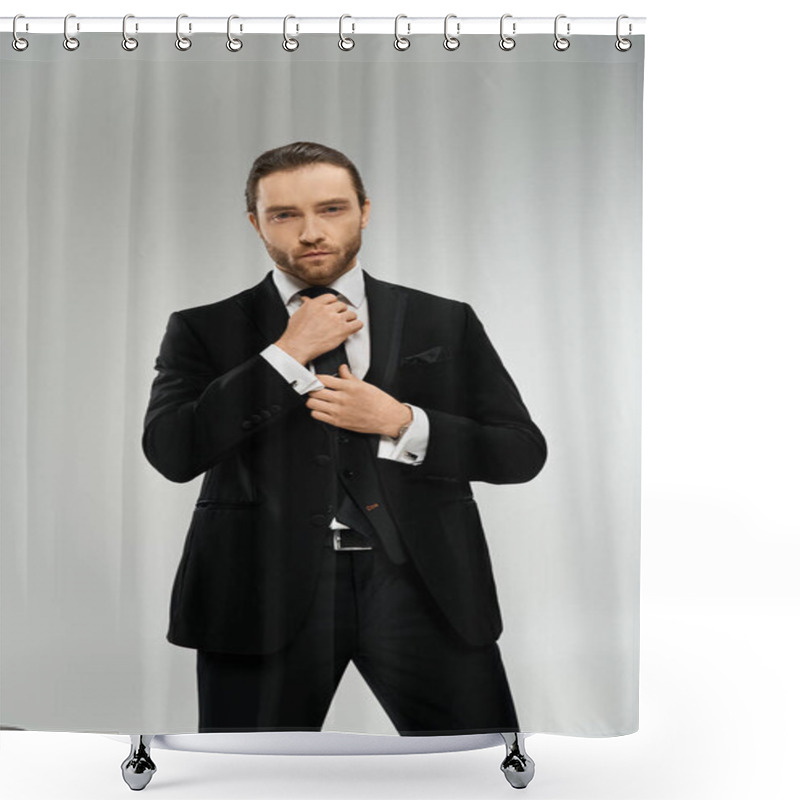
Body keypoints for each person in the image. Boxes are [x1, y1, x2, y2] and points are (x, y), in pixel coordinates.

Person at [143, 141, 547, 735]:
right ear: (256, 223)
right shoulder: (203, 328)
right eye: (285, 215)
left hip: (424, 588)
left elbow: (520, 450)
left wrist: (401, 422)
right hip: (259, 591)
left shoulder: (445, 319)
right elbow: (173, 452)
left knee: (476, 763)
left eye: (331, 209)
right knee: (252, 778)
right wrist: (284, 355)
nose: (311, 232)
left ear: (363, 210)